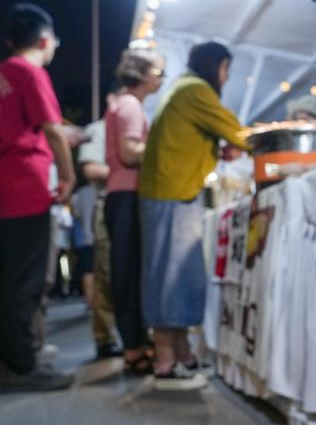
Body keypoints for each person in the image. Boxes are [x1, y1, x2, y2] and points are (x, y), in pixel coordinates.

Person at [139, 41, 248, 390]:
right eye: (226, 69)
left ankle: (181, 354)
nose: (226, 77)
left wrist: (217, 148)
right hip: (172, 194)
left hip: (172, 192)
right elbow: (237, 131)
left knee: (181, 276)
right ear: (214, 65)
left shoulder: (182, 88)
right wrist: (243, 142)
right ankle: (165, 362)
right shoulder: (196, 90)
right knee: (170, 277)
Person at [0, 3, 74, 391]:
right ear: (44, 40)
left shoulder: (4, 73)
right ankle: (21, 366)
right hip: (24, 188)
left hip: (5, 186)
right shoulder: (30, 71)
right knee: (25, 280)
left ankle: (13, 357)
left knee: (9, 278)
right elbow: (53, 129)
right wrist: (68, 174)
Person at [104, 48, 165, 374]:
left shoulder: (124, 103)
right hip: (127, 194)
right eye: (157, 73)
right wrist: (160, 145)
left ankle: (136, 343)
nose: (160, 79)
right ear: (140, 74)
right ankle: (133, 348)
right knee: (128, 272)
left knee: (129, 271)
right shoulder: (129, 105)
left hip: (122, 195)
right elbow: (129, 153)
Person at [76, 109, 123, 359]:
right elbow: (91, 169)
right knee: (105, 273)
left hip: (133, 204)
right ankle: (105, 337)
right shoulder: (98, 129)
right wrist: (126, 171)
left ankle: (132, 337)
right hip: (108, 203)